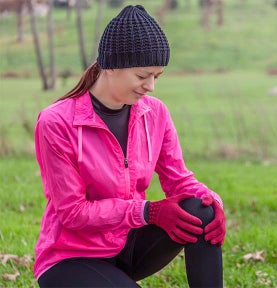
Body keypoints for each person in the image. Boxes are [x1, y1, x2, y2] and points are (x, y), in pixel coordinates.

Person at [33, 5, 226, 288]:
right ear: (110, 66)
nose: (151, 86)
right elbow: (72, 212)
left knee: (200, 211)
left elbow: (179, 180)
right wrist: (147, 211)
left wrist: (214, 203)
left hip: (127, 246)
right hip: (70, 258)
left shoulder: (155, 113)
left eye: (157, 76)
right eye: (142, 76)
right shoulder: (57, 121)